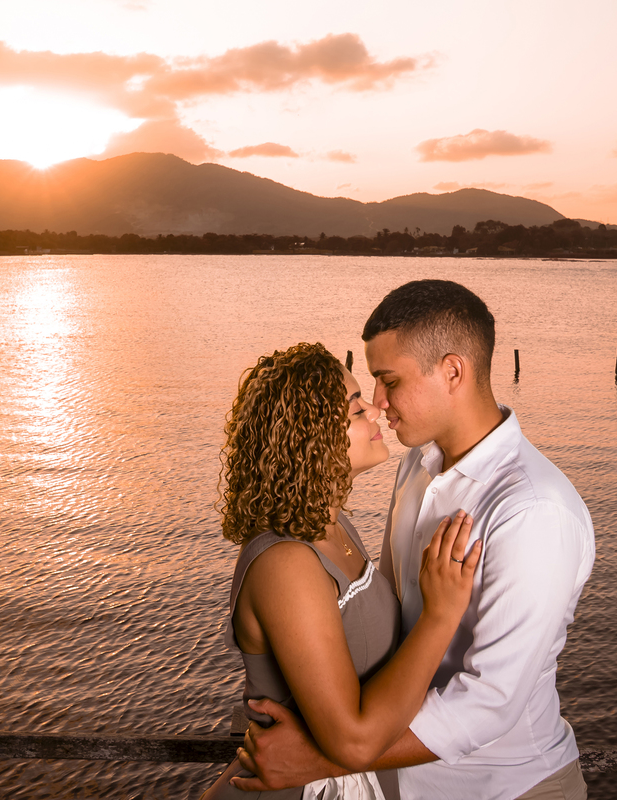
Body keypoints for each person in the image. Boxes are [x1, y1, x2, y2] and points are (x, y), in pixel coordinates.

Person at [233, 281, 596, 800]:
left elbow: (490, 699)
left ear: (452, 372)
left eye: (388, 380)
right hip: (397, 785)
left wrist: (322, 756)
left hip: (503, 788)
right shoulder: (416, 469)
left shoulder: (534, 511)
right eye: (367, 392)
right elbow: (388, 619)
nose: (378, 402)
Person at [204, 341, 482, 800]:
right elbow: (352, 740)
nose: (375, 409)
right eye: (355, 410)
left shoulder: (332, 525)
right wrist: (440, 614)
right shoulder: (286, 563)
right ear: (310, 437)